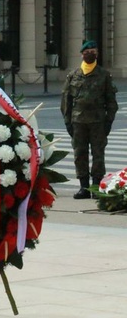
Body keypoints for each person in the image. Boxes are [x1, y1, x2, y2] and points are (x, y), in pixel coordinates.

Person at [60, 40, 118, 199]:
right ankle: (84, 188)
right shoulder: (73, 75)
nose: (90, 54)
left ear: (97, 54)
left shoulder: (104, 75)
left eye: (93, 51)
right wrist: (67, 122)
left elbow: (111, 101)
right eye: (87, 52)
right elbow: (66, 101)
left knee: (98, 154)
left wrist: (108, 122)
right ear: (82, 54)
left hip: (98, 122)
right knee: (80, 154)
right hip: (78, 122)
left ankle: (96, 187)